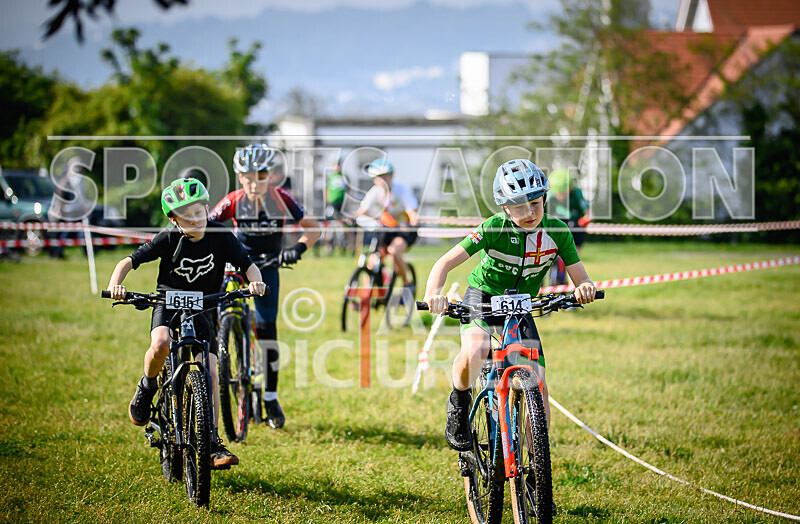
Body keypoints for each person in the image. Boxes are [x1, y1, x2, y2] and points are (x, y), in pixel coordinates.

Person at [422, 159, 597, 453]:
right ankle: (459, 402)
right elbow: (445, 262)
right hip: (483, 295)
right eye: (518, 206)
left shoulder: (558, 232)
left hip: (522, 304)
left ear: (545, 199)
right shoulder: (492, 228)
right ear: (505, 207)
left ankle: (537, 470)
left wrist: (584, 289)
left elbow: (581, 277)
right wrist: (433, 295)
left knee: (538, 383)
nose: (528, 213)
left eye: (535, 204)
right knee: (476, 349)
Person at [106, 177, 266, 468]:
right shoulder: (167, 238)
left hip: (205, 306)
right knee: (161, 343)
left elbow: (248, 265)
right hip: (168, 303)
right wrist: (116, 283)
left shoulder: (221, 235)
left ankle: (213, 441)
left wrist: (256, 282)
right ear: (173, 219)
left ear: (206, 208)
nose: (196, 220)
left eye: (199, 212)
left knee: (212, 373)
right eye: (187, 217)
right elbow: (128, 261)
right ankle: (147, 386)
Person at [209, 144, 320, 429]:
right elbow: (205, 227)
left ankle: (270, 397)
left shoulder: (281, 198)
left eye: (260, 176)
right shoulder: (233, 200)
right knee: (211, 309)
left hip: (268, 265)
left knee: (267, 328)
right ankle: (217, 355)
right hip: (238, 263)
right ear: (239, 176)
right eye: (247, 176)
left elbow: (314, 228)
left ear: (269, 175)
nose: (253, 182)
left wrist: (297, 249)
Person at [353, 158, 418, 291]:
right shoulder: (374, 192)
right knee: (372, 260)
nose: (382, 181)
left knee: (394, 252)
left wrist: (411, 223)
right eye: (378, 177)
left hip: (403, 230)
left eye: (385, 176)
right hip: (386, 230)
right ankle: (367, 294)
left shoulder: (402, 191)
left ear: (391, 176)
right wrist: (372, 219)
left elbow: (413, 213)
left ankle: (407, 284)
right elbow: (361, 212)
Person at [547, 168, 591, 285]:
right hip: (559, 223)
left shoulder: (576, 193)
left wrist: (585, 219)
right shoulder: (549, 195)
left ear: (570, 189)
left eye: (564, 193)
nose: (561, 196)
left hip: (576, 225)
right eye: (558, 194)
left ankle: (574, 284)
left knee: (574, 257)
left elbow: (587, 213)